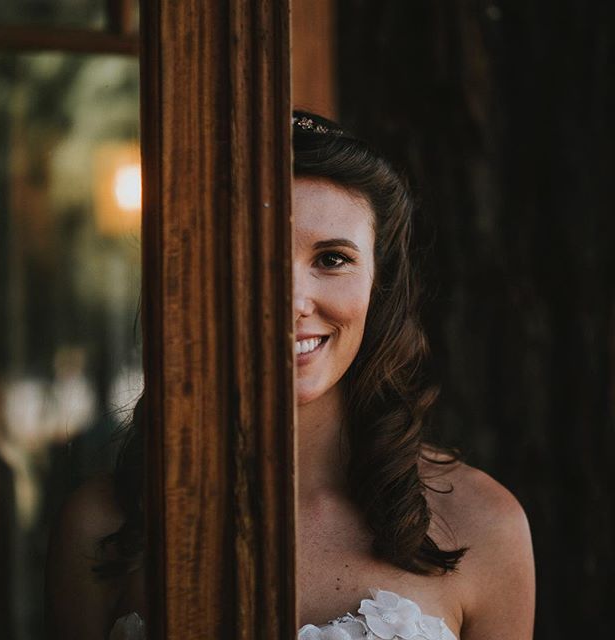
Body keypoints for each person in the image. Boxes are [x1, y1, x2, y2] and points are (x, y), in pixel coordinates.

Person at [45, 111, 535, 639]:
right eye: (256, 258)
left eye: (332, 259)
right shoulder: (101, 527)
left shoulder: (484, 526)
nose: (293, 302)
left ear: (379, 286)